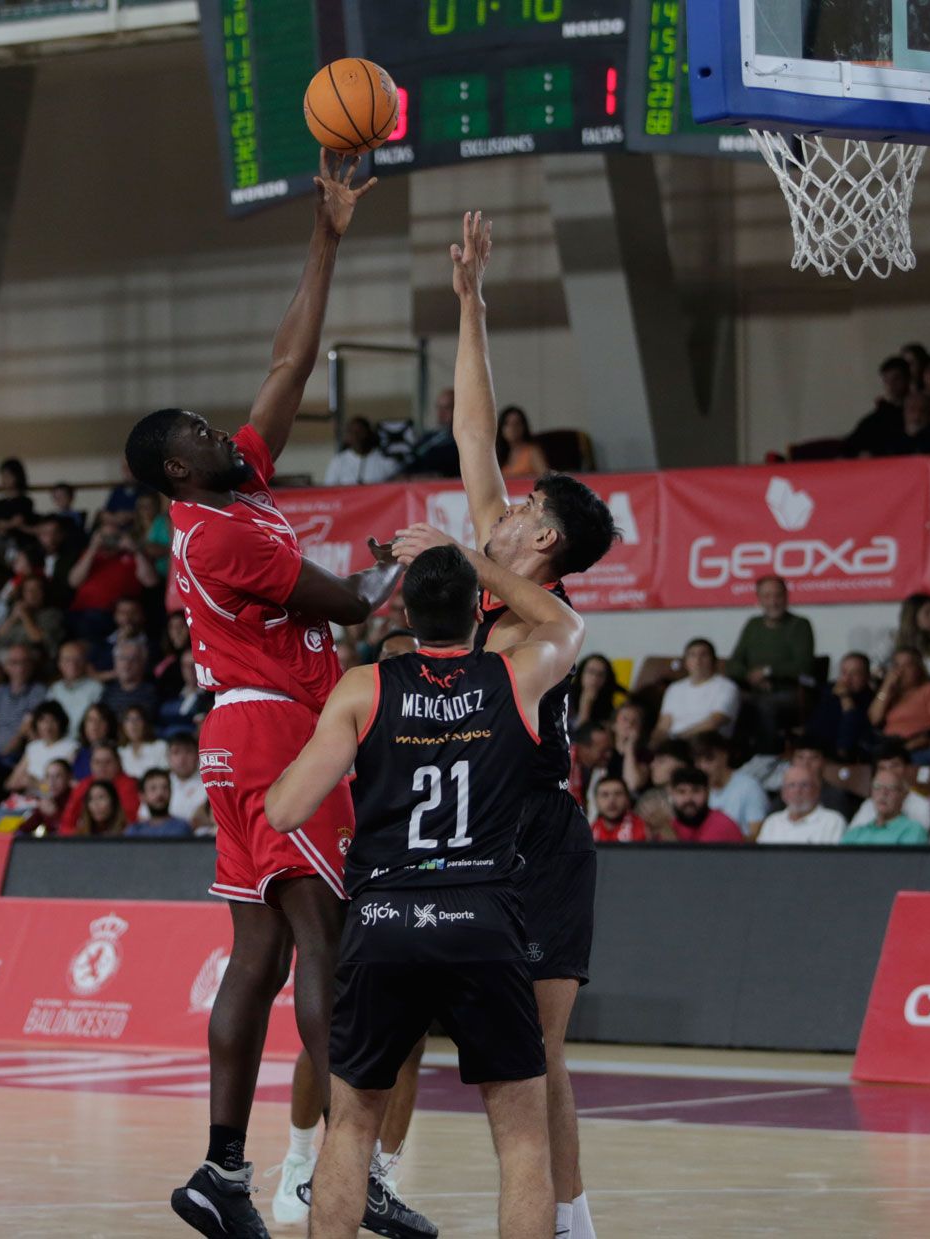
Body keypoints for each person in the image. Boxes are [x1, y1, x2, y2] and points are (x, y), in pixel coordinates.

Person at [125, 154, 426, 1239]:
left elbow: (291, 358)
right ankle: (341, 1155)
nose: (221, 433)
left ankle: (219, 1170)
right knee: (326, 941)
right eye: (198, 437)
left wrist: (326, 236)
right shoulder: (218, 539)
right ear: (175, 477)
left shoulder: (233, 491)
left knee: (257, 953)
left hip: (239, 733)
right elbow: (349, 604)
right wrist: (400, 563)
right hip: (274, 733)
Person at [399, 209, 620, 1239]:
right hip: (470, 833)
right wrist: (469, 300)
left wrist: (448, 560)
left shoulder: (550, 623)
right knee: (463, 1043)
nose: (508, 502)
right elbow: (471, 432)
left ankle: (569, 1223)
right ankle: (363, 1174)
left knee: (536, 1053)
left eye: (526, 509)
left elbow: (539, 627)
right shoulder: (496, 556)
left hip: (539, 840)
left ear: (548, 541)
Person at [265, 538, 586, 1239]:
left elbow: (285, 809)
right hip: (485, 917)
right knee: (524, 1139)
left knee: (350, 1126)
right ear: (478, 609)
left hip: (384, 916)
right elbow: (567, 624)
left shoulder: (365, 686)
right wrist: (479, 561)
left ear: (405, 610)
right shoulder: (515, 677)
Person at [724, 575, 817, 753]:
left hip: (790, 693)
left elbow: (804, 667)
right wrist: (750, 676)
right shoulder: (753, 625)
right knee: (727, 703)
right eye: (767, 596)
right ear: (758, 599)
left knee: (764, 706)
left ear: (786, 596)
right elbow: (734, 663)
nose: (773, 602)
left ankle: (767, 758)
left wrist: (768, 672)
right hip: (754, 691)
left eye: (778, 595)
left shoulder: (800, 625)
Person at [651, 638, 739, 742]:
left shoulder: (727, 687)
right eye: (692, 655)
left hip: (706, 743)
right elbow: (663, 725)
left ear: (714, 660)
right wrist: (652, 746)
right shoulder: (674, 689)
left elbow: (715, 722)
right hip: (673, 745)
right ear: (686, 662)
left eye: (704, 655)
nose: (698, 660)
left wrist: (679, 739)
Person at [869, 647, 930, 757]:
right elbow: (874, 719)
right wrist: (886, 687)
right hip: (889, 746)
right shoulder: (890, 694)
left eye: (907, 665)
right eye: (896, 665)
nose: (901, 671)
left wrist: (906, 748)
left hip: (917, 746)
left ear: (918, 668)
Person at [804, 652, 875, 762]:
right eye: (844, 673)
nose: (847, 679)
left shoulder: (869, 699)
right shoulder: (830, 690)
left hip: (840, 758)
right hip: (812, 749)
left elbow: (848, 740)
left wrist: (845, 697)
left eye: (855, 674)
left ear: (867, 676)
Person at [690, 736, 768, 832]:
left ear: (724, 755)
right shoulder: (695, 792)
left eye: (709, 759)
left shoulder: (749, 787)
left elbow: (755, 835)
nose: (703, 767)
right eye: (698, 761)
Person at [755, 764, 846, 845]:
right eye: (792, 785)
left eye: (804, 785)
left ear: (817, 790)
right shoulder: (772, 822)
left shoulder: (833, 821)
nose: (797, 791)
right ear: (783, 793)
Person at [846, 355, 911, 457]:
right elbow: (850, 445)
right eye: (886, 380)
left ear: (908, 379)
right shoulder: (877, 417)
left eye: (896, 379)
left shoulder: (920, 413)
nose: (890, 385)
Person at [842, 775, 930, 845]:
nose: (883, 793)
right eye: (877, 786)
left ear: (903, 795)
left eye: (891, 788)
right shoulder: (855, 833)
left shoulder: (913, 830)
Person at [664, 767, 744, 843]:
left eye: (696, 791)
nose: (688, 798)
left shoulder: (722, 825)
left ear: (708, 793)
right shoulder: (671, 825)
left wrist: (666, 832)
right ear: (672, 794)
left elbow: (698, 857)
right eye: (681, 792)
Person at [323, 417, 401, 486]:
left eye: (360, 431)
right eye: (351, 432)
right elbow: (329, 490)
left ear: (369, 434)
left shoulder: (385, 461)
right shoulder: (338, 461)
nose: (356, 436)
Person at [127, 768, 194, 837]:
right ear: (142, 796)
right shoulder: (134, 831)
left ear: (171, 792)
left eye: (165, 788)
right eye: (153, 788)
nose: (160, 793)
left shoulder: (182, 828)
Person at [496, 405, 550, 479]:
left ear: (523, 427)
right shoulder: (497, 453)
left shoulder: (532, 451)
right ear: (501, 428)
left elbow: (546, 479)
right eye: (507, 424)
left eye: (517, 423)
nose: (512, 428)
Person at [589, 778, 647, 843]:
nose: (611, 800)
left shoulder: (643, 829)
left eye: (618, 794)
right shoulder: (589, 832)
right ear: (596, 801)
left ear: (627, 799)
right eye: (605, 795)